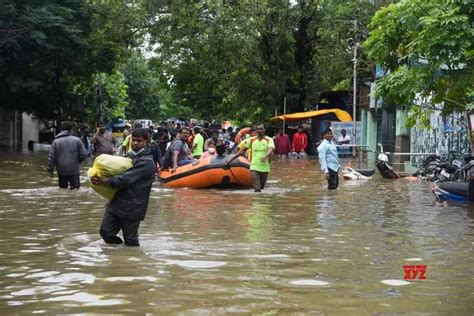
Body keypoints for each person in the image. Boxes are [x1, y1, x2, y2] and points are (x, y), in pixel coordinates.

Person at [90, 128, 156, 247]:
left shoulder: (147, 163)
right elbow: (113, 171)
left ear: (146, 141)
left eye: (139, 141)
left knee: (130, 240)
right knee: (105, 232)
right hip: (116, 202)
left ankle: (132, 262)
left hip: (133, 206)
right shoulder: (128, 156)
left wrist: (105, 181)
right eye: (133, 140)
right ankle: (117, 257)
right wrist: (98, 177)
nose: (135, 143)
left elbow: (124, 179)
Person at [227, 124, 274, 192]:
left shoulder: (269, 140)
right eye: (258, 129)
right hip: (254, 166)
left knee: (262, 188)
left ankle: (262, 201)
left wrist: (265, 156)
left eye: (261, 129)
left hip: (265, 167)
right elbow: (242, 151)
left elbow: (271, 149)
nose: (259, 130)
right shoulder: (251, 140)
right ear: (256, 130)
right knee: (257, 189)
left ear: (264, 130)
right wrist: (230, 160)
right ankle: (255, 202)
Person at [48, 121, 88, 189]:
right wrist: (77, 161)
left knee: (63, 191)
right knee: (75, 191)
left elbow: (52, 158)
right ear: (71, 129)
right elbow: (84, 154)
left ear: (61, 129)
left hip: (61, 171)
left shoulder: (56, 142)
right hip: (74, 170)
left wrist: (50, 169)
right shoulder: (77, 140)